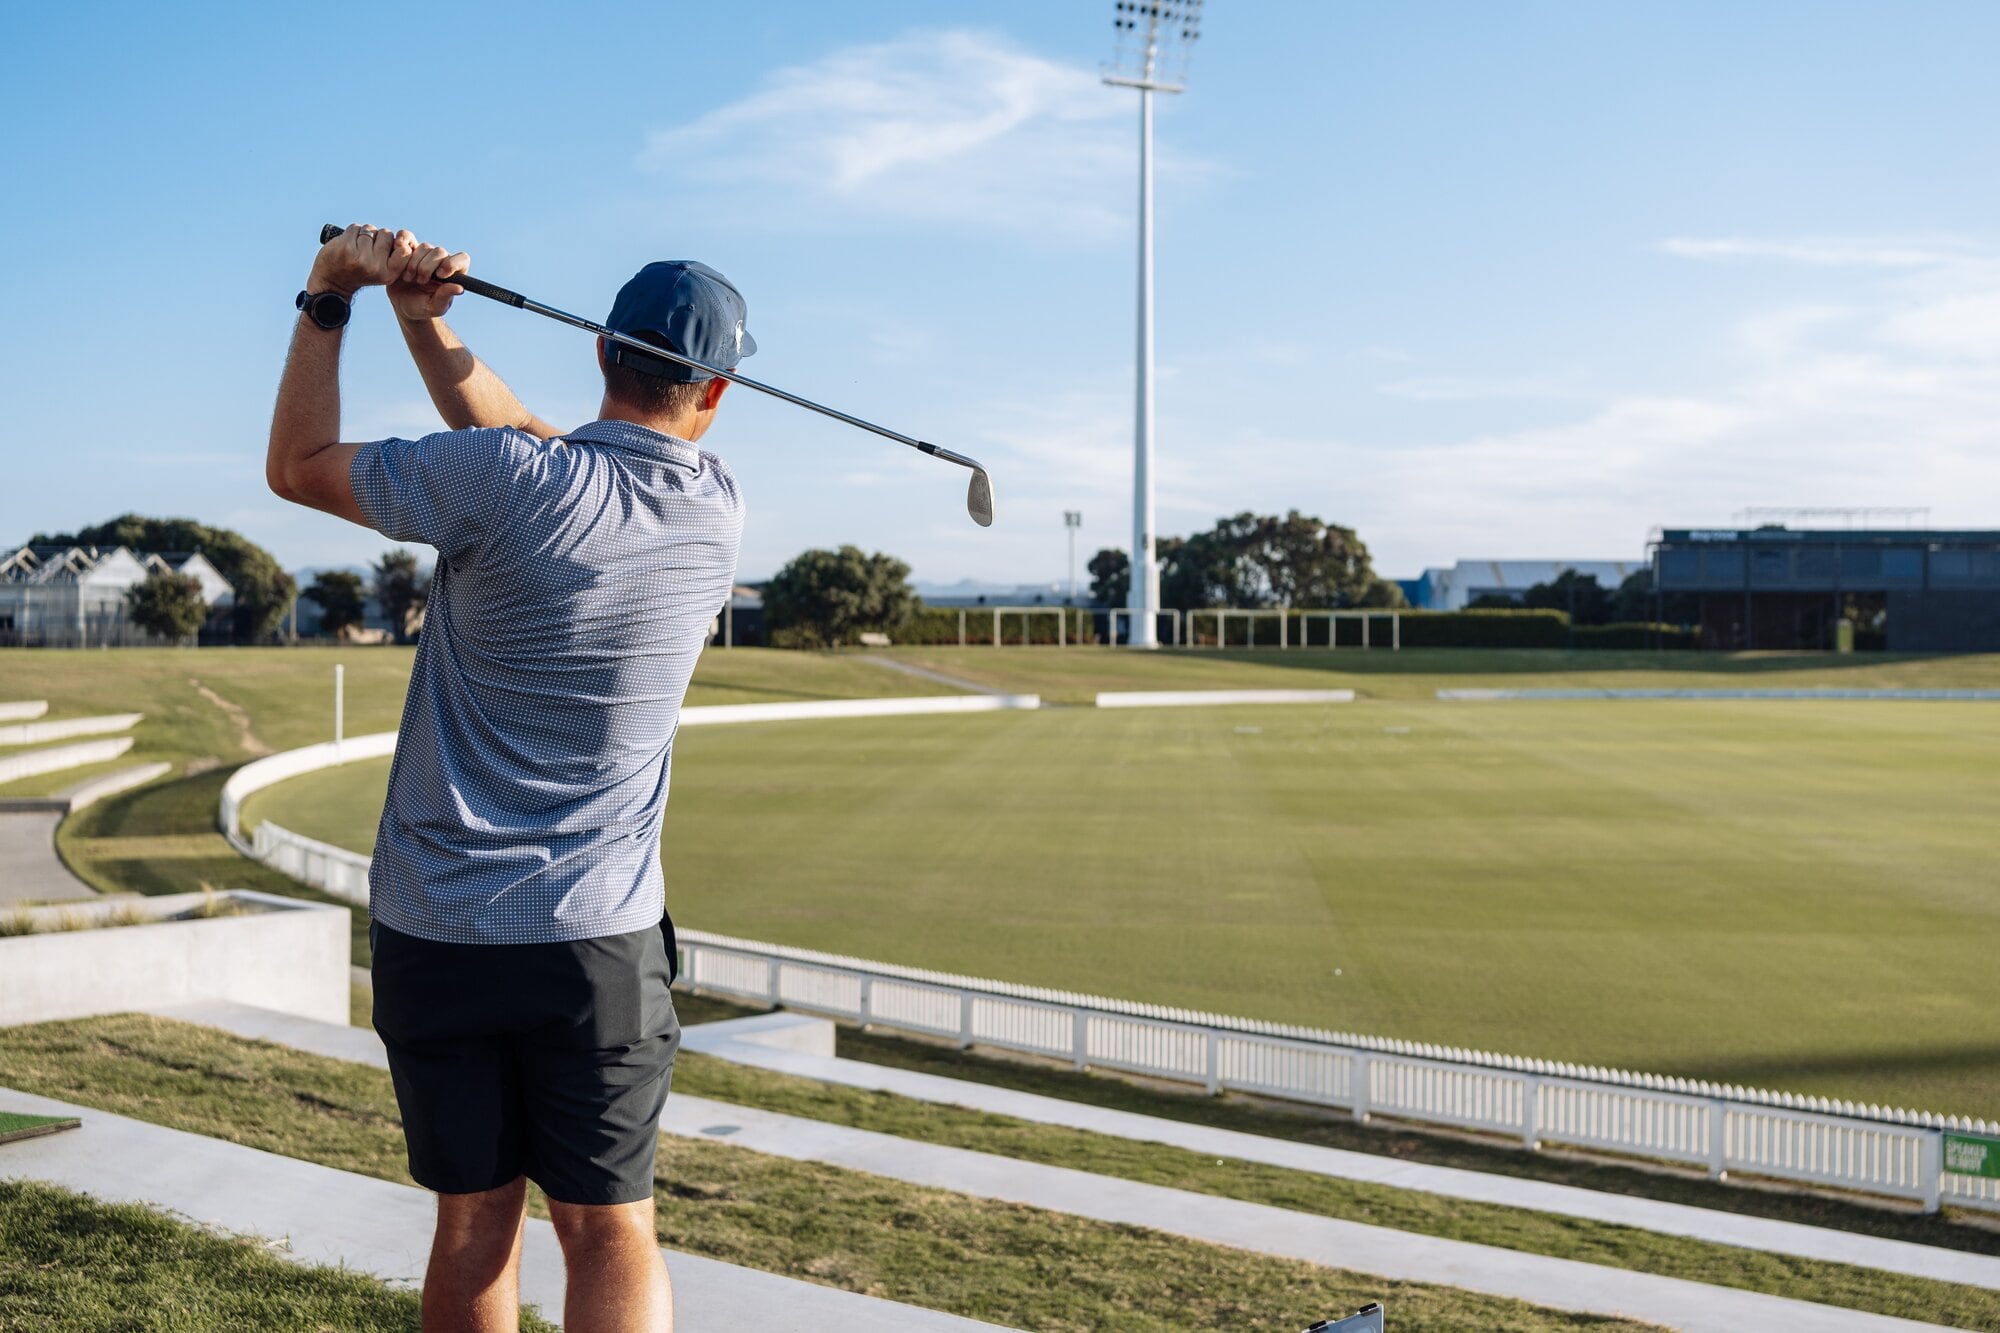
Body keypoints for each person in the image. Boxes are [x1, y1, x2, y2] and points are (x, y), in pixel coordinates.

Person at [267, 224, 753, 1333]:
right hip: (598, 944)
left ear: (599, 354)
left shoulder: (504, 481)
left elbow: (298, 469)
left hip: (439, 929)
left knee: (473, 1223)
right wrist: (425, 324)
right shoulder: (714, 505)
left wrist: (332, 297)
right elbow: (547, 454)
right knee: (610, 1227)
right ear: (716, 388)